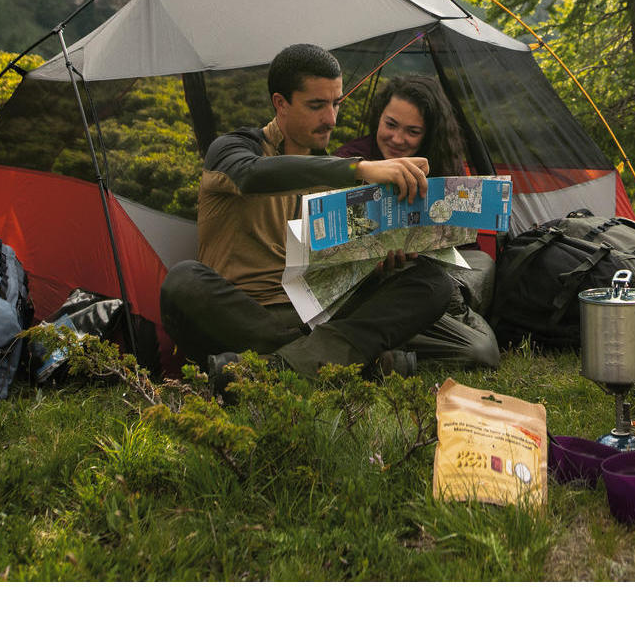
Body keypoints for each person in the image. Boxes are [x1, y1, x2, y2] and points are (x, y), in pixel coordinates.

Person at [159, 42, 473, 384]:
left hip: (318, 313)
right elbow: (253, 175)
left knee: (431, 283)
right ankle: (342, 364)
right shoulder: (233, 151)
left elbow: (344, 263)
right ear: (281, 103)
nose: (331, 119)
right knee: (183, 280)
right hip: (242, 316)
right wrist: (361, 169)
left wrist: (382, 264)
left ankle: (278, 370)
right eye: (317, 105)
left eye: (336, 103)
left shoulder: (337, 173)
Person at [336, 74, 501, 364]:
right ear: (379, 117)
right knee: (479, 349)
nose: (397, 139)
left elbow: (464, 246)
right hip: (375, 290)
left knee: (481, 265)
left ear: (428, 134)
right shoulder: (351, 162)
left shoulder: (441, 165)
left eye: (412, 131)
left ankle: (449, 308)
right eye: (390, 125)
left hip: (437, 280)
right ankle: (385, 355)